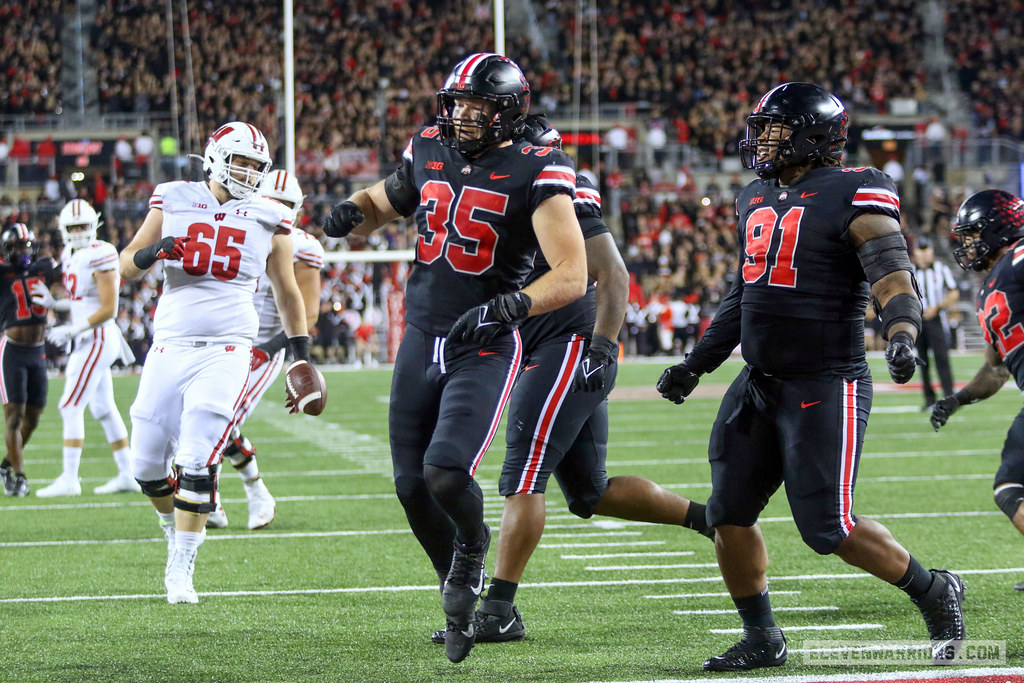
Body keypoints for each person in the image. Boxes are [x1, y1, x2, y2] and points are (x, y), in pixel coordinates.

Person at [656, 83, 965, 671]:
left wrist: (901, 334)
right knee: (728, 512)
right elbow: (742, 294)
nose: (760, 140)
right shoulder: (755, 195)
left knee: (828, 528)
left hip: (826, 380)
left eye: (774, 129)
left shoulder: (856, 189)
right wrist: (697, 365)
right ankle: (762, 635)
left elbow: (894, 275)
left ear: (814, 136)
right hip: (760, 379)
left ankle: (933, 589)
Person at [322, 54, 587, 663]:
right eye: (457, 104)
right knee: (412, 488)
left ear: (508, 110)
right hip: (420, 335)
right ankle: (459, 583)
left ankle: (473, 543)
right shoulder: (430, 146)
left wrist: (510, 307)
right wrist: (351, 214)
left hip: (482, 340)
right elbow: (384, 200)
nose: (462, 116)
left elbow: (572, 274)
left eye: (477, 107)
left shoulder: (540, 168)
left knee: (446, 472)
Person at [427, 114, 713, 649]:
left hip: (568, 344)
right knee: (588, 492)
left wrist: (601, 347)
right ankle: (711, 518)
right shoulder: (492, 182)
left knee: (522, 472)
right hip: (537, 342)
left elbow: (614, 272)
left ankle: (500, 608)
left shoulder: (556, 182)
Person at [119, 121, 312, 605]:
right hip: (169, 344)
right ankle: (172, 528)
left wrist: (301, 356)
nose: (248, 171)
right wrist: (153, 252)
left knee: (198, 453)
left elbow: (288, 292)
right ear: (216, 156)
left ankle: (183, 563)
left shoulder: (270, 217)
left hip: (230, 347)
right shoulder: (173, 196)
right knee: (145, 464)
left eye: (255, 164)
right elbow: (123, 264)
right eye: (240, 160)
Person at [205, 169, 323, 530]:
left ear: (297, 210)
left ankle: (216, 500)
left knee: (219, 420)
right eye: (272, 201)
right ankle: (254, 492)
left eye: (286, 205)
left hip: (263, 348)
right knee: (208, 416)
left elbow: (309, 312)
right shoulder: (240, 228)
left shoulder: (301, 245)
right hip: (224, 338)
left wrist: (271, 348)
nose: (278, 210)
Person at [931, 190, 1024, 589]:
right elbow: (995, 369)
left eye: (972, 235)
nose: (966, 246)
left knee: (1011, 486)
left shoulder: (1019, 258)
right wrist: (957, 398)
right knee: (1010, 485)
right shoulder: (989, 292)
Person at [31, 199, 139, 497]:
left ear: (95, 227)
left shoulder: (101, 253)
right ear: (64, 230)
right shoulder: (70, 254)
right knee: (103, 408)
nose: (78, 232)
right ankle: (127, 472)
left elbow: (109, 308)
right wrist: (55, 304)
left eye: (83, 226)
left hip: (97, 337)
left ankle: (70, 478)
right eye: (73, 227)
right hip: (89, 336)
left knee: (69, 405)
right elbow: (81, 302)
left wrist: (74, 329)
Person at [0, 224, 57, 496]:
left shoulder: (43, 268)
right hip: (12, 350)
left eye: (26, 245)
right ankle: (20, 476)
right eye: (17, 246)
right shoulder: (2, 273)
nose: (22, 251)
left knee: (32, 419)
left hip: (37, 351)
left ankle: (5, 464)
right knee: (14, 416)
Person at [913, 236, 958, 409]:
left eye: (926, 250)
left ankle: (949, 397)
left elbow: (953, 292)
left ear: (931, 251)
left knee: (942, 358)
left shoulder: (941, 268)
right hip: (917, 321)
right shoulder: (909, 271)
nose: (924, 254)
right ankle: (929, 399)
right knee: (921, 361)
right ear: (915, 253)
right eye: (920, 250)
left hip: (936, 319)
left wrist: (938, 307)